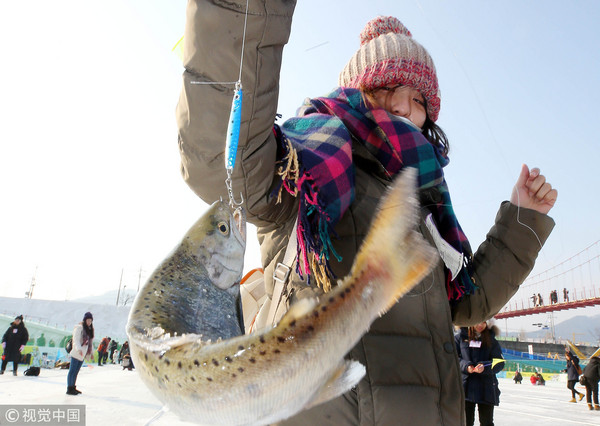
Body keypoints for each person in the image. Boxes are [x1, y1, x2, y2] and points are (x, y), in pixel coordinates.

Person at [176, 4, 557, 424]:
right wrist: (244, 11)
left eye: (417, 97)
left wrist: (523, 220)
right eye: (384, 87)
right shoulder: (304, 168)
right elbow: (226, 163)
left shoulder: (427, 201)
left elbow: (468, 303)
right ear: (356, 92)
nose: (402, 105)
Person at [456, 322, 505, 426]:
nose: (480, 325)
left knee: (487, 422)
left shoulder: (492, 340)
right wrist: (466, 366)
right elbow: (452, 358)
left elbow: (499, 362)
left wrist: (484, 367)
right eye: (477, 321)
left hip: (486, 388)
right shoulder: (460, 338)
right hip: (465, 387)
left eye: (483, 322)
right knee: (465, 422)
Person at [66, 312, 94, 395]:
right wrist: (78, 349)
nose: (89, 322)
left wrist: (91, 353)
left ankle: (73, 387)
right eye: (88, 320)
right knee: (72, 371)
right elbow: (76, 340)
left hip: (82, 354)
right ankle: (69, 388)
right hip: (76, 352)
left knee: (76, 371)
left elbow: (90, 343)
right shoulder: (79, 328)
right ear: (85, 320)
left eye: (90, 320)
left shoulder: (89, 330)